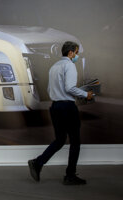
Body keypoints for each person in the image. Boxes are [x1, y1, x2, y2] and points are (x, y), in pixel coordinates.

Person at [28, 41, 94, 185]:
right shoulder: (69, 65)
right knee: (75, 141)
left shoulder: (54, 67)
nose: (77, 55)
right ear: (70, 53)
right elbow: (70, 87)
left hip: (55, 107)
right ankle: (70, 175)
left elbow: (48, 89)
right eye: (76, 52)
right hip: (67, 107)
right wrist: (85, 94)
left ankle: (37, 163)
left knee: (59, 140)